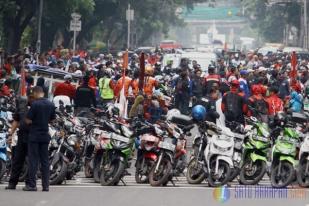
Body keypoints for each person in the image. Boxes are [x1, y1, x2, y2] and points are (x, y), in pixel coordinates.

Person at [24, 86, 56, 191]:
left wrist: (34, 122)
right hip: (45, 136)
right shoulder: (51, 104)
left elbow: (28, 120)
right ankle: (46, 186)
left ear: (37, 93)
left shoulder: (35, 104)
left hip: (34, 135)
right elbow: (52, 120)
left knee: (33, 161)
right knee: (45, 161)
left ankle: (32, 185)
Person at [5, 93, 32, 190]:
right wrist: (10, 133)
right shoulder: (21, 107)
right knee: (17, 160)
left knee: (31, 161)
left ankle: (29, 184)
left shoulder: (37, 106)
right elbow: (16, 120)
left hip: (33, 137)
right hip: (22, 135)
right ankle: (12, 183)